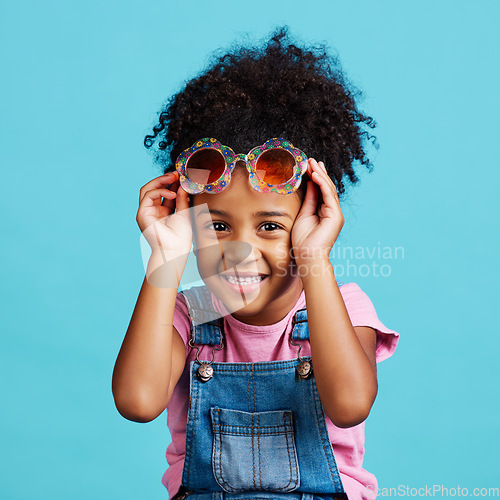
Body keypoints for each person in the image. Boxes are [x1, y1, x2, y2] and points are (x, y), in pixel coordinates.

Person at [112, 27, 400, 500]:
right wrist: (164, 258)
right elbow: (137, 401)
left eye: (269, 226)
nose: (239, 250)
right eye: (218, 226)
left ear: (311, 219)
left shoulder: (343, 307)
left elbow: (349, 404)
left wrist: (314, 259)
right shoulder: (193, 311)